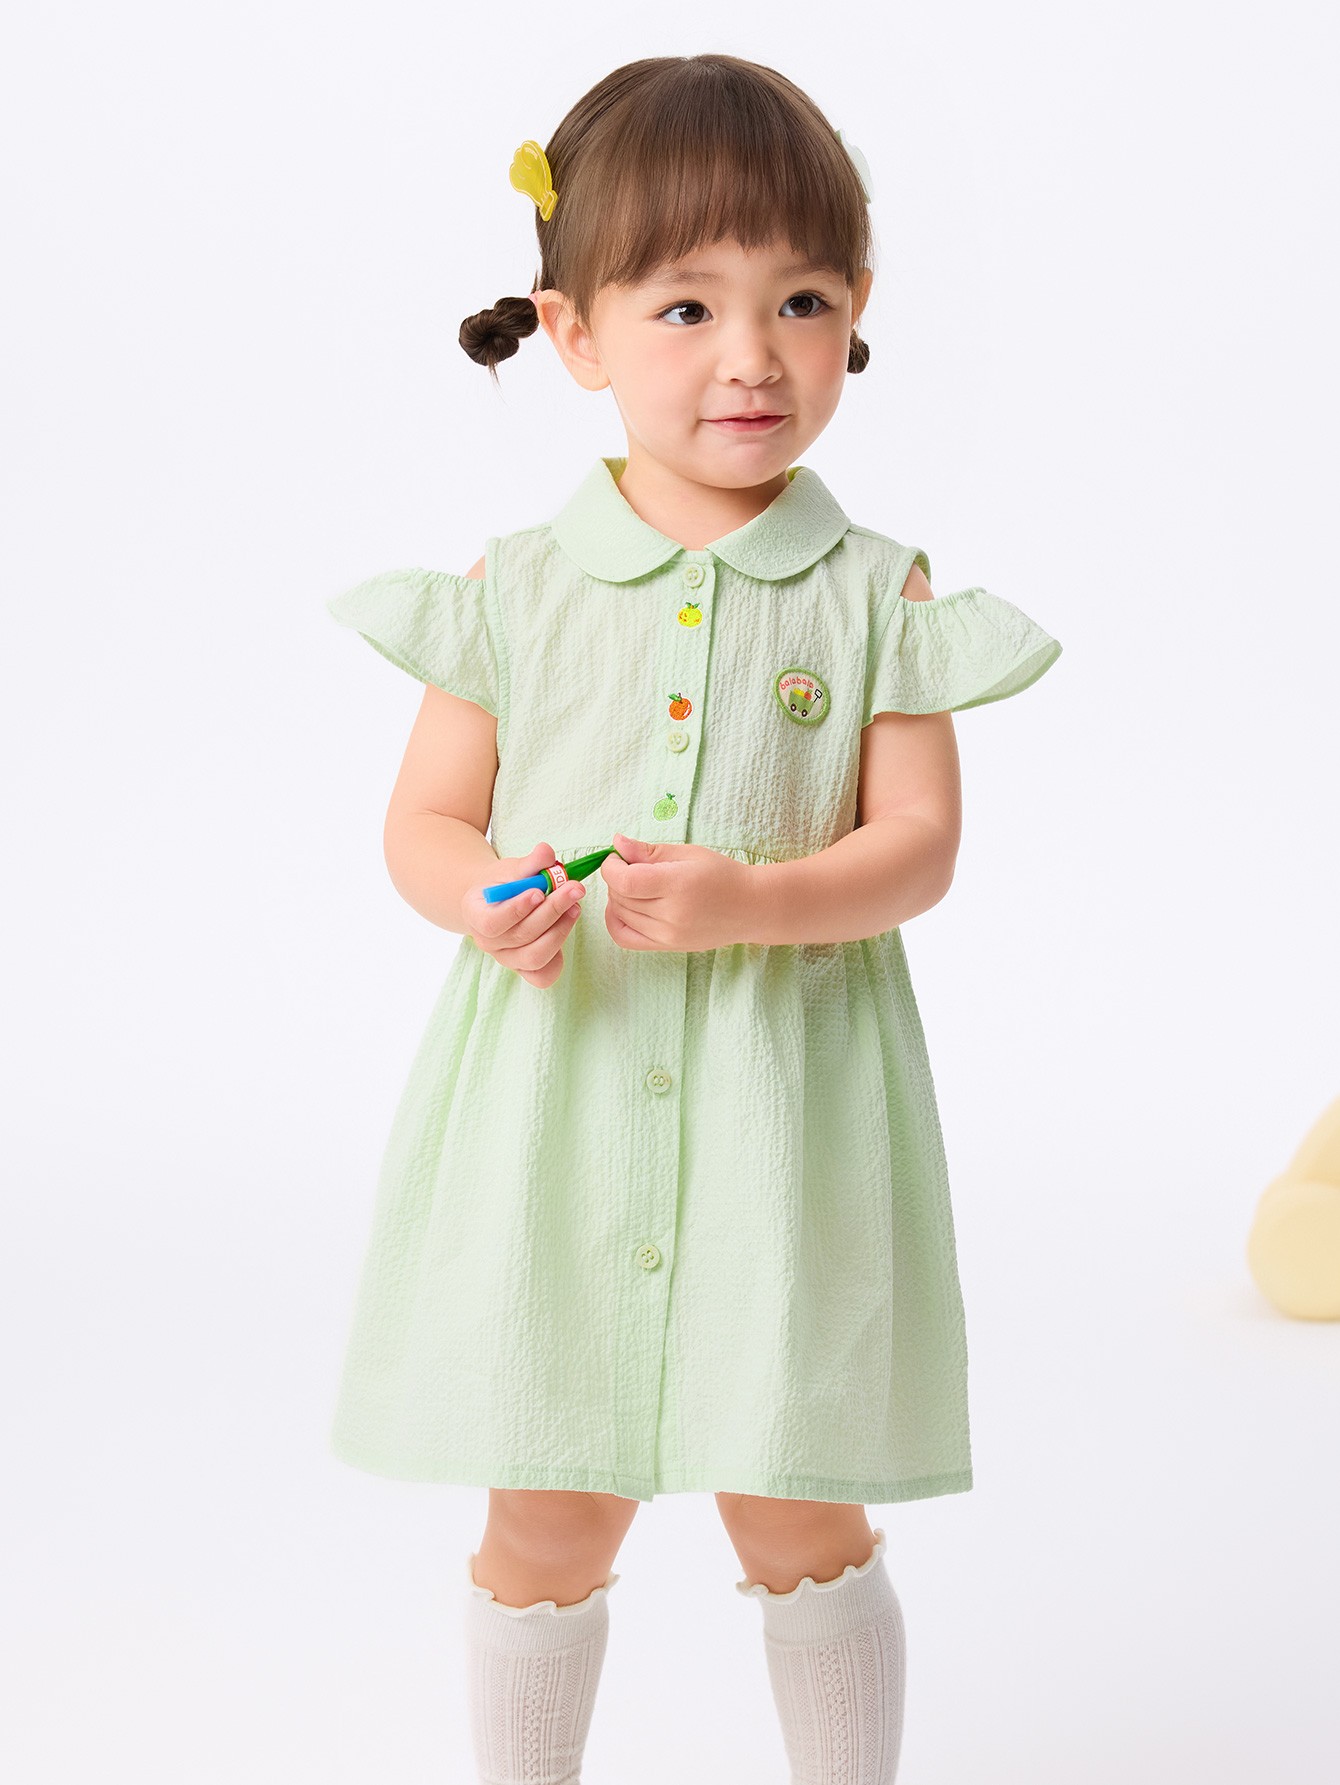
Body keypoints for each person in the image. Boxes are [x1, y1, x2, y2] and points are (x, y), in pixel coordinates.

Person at [326, 51, 1063, 1785]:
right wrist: (482, 898)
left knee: (798, 1500)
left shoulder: (877, 592)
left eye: (800, 301)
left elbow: (919, 847)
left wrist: (758, 900)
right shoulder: (517, 587)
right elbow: (424, 822)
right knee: (549, 1504)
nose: (752, 355)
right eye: (686, 307)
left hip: (779, 1111)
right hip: (559, 1108)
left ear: (856, 309)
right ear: (573, 332)